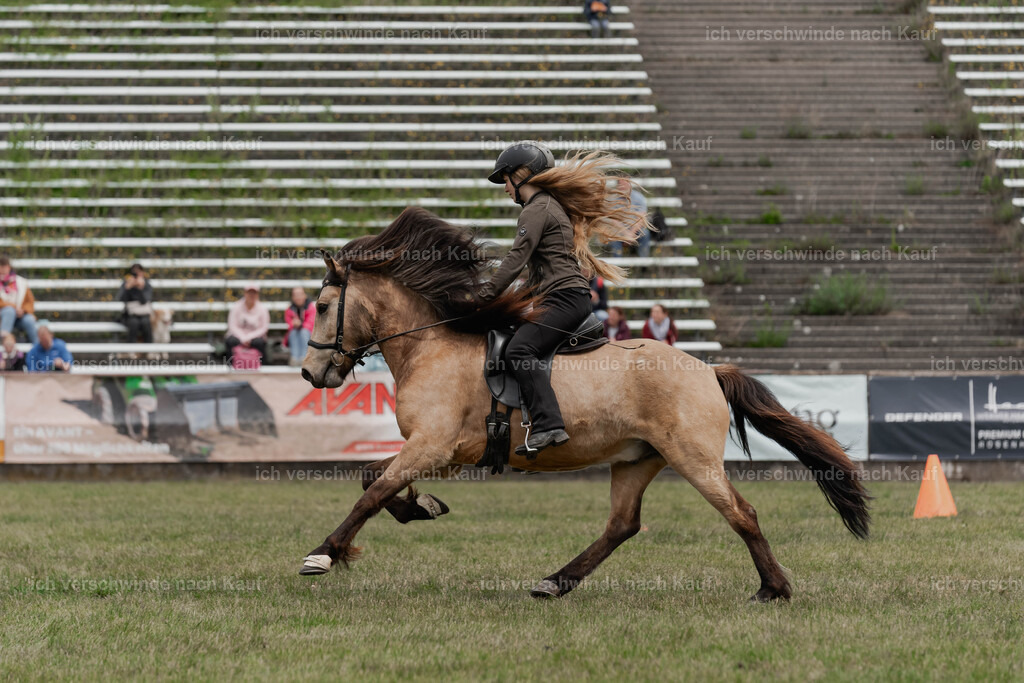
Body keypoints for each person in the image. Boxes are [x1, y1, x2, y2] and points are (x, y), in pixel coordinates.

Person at [479, 140, 647, 454]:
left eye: (506, 180)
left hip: (564, 299)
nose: (505, 188)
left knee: (519, 350)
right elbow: (534, 271)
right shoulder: (546, 206)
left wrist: (483, 296)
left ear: (521, 175)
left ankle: (549, 425)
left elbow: (515, 260)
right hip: (561, 296)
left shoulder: (537, 209)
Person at [226, 282, 270, 365]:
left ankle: (261, 366)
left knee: (259, 342)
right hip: (238, 336)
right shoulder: (236, 307)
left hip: (255, 337)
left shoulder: (263, 308)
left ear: (257, 294)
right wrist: (243, 337)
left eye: (254, 293)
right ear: (245, 293)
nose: (251, 295)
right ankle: (231, 365)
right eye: (249, 293)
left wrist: (249, 337)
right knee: (231, 341)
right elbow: (232, 326)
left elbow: (263, 328)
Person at [0, 255, 39, 345]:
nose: (2, 270)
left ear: (9, 267)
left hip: (19, 316)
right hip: (3, 317)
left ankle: (37, 345)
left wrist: (23, 310)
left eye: (4, 267)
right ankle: (4, 343)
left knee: (29, 320)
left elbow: (30, 302)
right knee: (9, 311)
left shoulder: (21, 282)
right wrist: (14, 307)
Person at [609, 178, 650, 257]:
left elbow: (641, 219)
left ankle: (644, 261)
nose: (623, 187)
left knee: (645, 234)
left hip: (635, 230)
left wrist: (631, 234)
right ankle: (616, 262)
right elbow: (614, 221)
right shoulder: (613, 199)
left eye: (625, 184)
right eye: (621, 184)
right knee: (613, 236)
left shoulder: (639, 197)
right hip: (619, 230)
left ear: (630, 185)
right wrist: (626, 234)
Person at [117, 263, 154, 343]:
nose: (136, 274)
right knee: (133, 323)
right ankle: (131, 348)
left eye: (139, 272)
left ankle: (149, 347)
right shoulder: (126, 283)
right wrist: (127, 288)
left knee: (146, 323)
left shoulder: (146, 284)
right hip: (130, 314)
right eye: (134, 272)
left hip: (144, 313)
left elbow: (145, 301)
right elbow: (121, 299)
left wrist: (140, 288)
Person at [283, 286, 315, 366]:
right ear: (292, 297)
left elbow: (311, 324)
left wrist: (300, 324)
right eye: (295, 295)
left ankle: (304, 358)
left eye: (300, 294)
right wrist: (293, 324)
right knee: (293, 332)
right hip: (295, 334)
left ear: (305, 295)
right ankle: (295, 358)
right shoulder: (289, 309)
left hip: (309, 334)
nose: (298, 297)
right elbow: (289, 324)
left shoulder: (311, 307)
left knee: (303, 332)